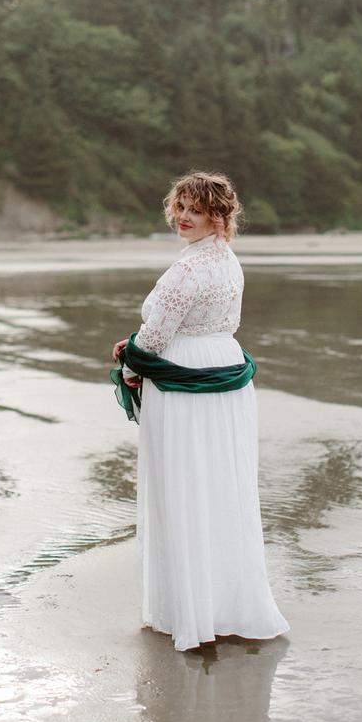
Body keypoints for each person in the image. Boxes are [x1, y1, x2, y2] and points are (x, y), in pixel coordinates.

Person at [110, 171, 289, 652]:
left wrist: (128, 360)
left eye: (196, 209)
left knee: (184, 486)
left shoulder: (187, 270)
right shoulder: (228, 261)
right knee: (220, 485)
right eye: (180, 207)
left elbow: (155, 336)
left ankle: (190, 613)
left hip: (184, 374)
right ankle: (225, 605)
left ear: (219, 216)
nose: (183, 217)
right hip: (225, 368)